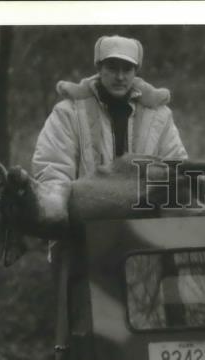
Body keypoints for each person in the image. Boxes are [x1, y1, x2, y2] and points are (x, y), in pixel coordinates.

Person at [26, 35, 189, 227]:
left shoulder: (159, 116)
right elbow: (52, 169)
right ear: (99, 68)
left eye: (127, 69)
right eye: (112, 68)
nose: (120, 77)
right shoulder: (68, 113)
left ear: (136, 71)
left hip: (146, 229)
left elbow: (176, 167)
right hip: (86, 227)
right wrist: (62, 209)